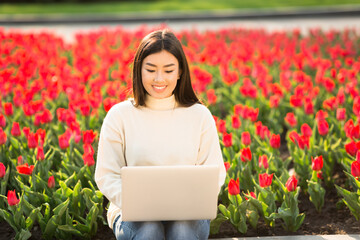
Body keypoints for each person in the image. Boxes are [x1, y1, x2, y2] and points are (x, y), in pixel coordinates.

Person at [95, 29, 226, 240]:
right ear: (139, 70)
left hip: (189, 213)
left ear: (180, 71)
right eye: (151, 69)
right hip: (131, 213)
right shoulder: (120, 115)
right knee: (149, 229)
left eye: (168, 70)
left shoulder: (199, 115)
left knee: (182, 230)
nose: (159, 79)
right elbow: (106, 175)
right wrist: (135, 203)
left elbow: (215, 172)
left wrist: (195, 200)